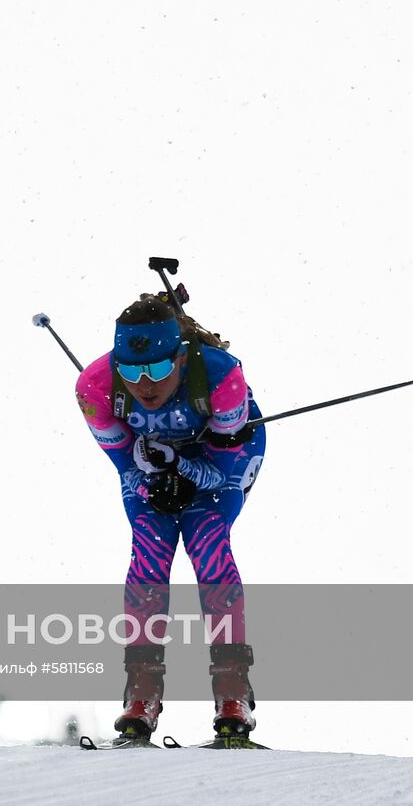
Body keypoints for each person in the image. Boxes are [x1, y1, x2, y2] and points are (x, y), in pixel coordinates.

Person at [74, 293, 267, 741]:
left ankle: (232, 693)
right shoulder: (94, 387)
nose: (145, 383)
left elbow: (223, 469)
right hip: (150, 469)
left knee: (209, 547)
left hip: (221, 462)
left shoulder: (222, 377)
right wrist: (153, 479)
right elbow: (124, 464)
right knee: (149, 554)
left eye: (159, 369)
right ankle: (141, 694)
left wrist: (182, 470)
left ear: (181, 358)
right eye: (132, 370)